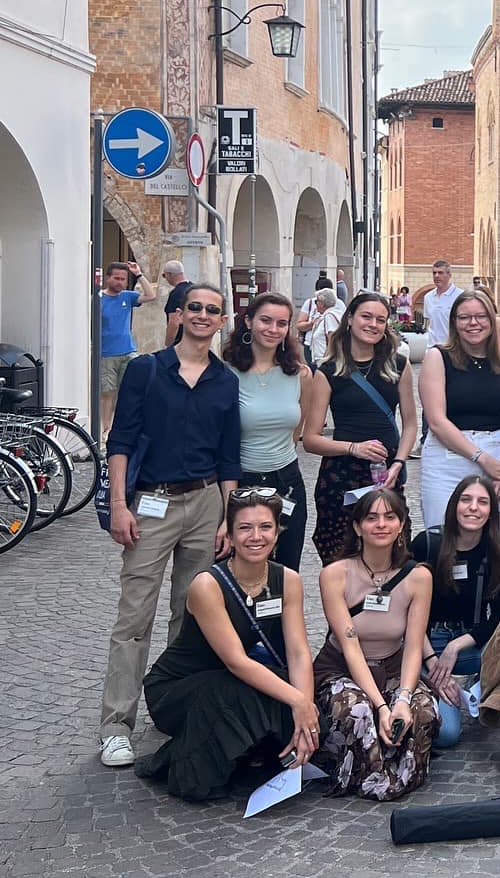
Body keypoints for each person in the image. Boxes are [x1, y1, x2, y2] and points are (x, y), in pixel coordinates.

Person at [98, 282, 240, 768]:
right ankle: (116, 724)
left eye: (213, 310)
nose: (202, 315)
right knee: (134, 617)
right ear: (179, 314)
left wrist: (228, 517)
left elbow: (228, 457)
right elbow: (121, 440)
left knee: (192, 615)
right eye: (195, 307)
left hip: (205, 503)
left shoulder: (225, 381)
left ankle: (173, 708)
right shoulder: (146, 371)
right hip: (151, 503)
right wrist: (120, 505)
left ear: (222, 321)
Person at [134, 489, 318, 800]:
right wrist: (297, 702)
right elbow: (236, 660)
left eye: (265, 527)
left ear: (277, 532)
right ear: (229, 535)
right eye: (245, 528)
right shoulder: (207, 585)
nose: (255, 536)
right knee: (241, 690)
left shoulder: (288, 580)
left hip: (233, 680)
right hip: (178, 687)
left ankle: (261, 753)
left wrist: (307, 712)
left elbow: (299, 652)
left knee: (298, 700)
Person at [314, 487, 437, 798]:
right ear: (358, 527)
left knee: (422, 711)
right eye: (371, 518)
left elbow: (413, 644)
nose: (381, 524)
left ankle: (397, 766)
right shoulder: (334, 575)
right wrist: (382, 705)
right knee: (358, 711)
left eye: (389, 517)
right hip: (343, 667)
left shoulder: (418, 577)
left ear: (401, 525)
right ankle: (369, 771)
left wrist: (402, 698)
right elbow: (350, 645)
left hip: (395, 665)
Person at [303, 292, 417, 563]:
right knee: (340, 557)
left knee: (392, 556)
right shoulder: (328, 371)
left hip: (386, 473)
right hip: (341, 476)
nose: (373, 324)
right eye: (366, 316)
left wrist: (399, 462)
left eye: (380, 319)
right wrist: (354, 448)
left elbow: (411, 423)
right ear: (350, 319)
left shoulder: (398, 365)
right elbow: (310, 439)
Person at [412, 476, 500, 749]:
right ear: (453, 505)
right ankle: (446, 689)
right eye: (466, 500)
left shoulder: (499, 549)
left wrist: (457, 645)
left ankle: (482, 688)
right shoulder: (427, 543)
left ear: (491, 511)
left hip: (473, 642)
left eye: (482, 502)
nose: (473, 508)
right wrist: (433, 663)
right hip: (427, 643)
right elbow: (408, 613)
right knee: (446, 736)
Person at [417, 287, 500, 531]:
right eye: (464, 317)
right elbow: (436, 420)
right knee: (443, 537)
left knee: (494, 541)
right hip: (448, 458)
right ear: (454, 322)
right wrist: (481, 458)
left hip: (497, 458)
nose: (473, 323)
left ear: (491, 320)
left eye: (481, 316)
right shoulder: (437, 357)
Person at [221, 291, 312, 570]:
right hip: (241, 481)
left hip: (287, 481)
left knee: (285, 571)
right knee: (238, 570)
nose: (273, 329)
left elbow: (297, 429)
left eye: (281, 323)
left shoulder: (300, 374)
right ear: (248, 322)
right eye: (265, 320)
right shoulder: (226, 373)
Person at [98, 259, 157, 435]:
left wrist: (138, 274)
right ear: (107, 278)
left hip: (128, 351)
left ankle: (124, 426)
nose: (120, 282)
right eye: (116, 278)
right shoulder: (98, 298)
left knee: (129, 391)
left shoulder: (127, 296)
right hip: (106, 353)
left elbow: (151, 295)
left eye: (123, 279)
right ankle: (105, 428)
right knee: (107, 393)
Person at [416, 258, 461, 348]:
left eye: (440, 273)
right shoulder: (428, 297)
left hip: (453, 347)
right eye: (434, 273)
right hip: (432, 347)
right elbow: (429, 322)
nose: (436, 276)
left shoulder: (460, 296)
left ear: (449, 275)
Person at [304, 287, 342, 367]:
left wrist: (324, 363)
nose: (315, 304)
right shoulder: (332, 314)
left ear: (321, 303)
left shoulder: (330, 316)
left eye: (316, 301)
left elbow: (332, 340)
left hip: (325, 361)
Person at [160, 261, 189, 345]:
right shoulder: (194, 289)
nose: (165, 278)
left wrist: (168, 344)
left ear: (169, 274)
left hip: (180, 342)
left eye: (164, 275)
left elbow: (174, 322)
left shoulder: (176, 293)